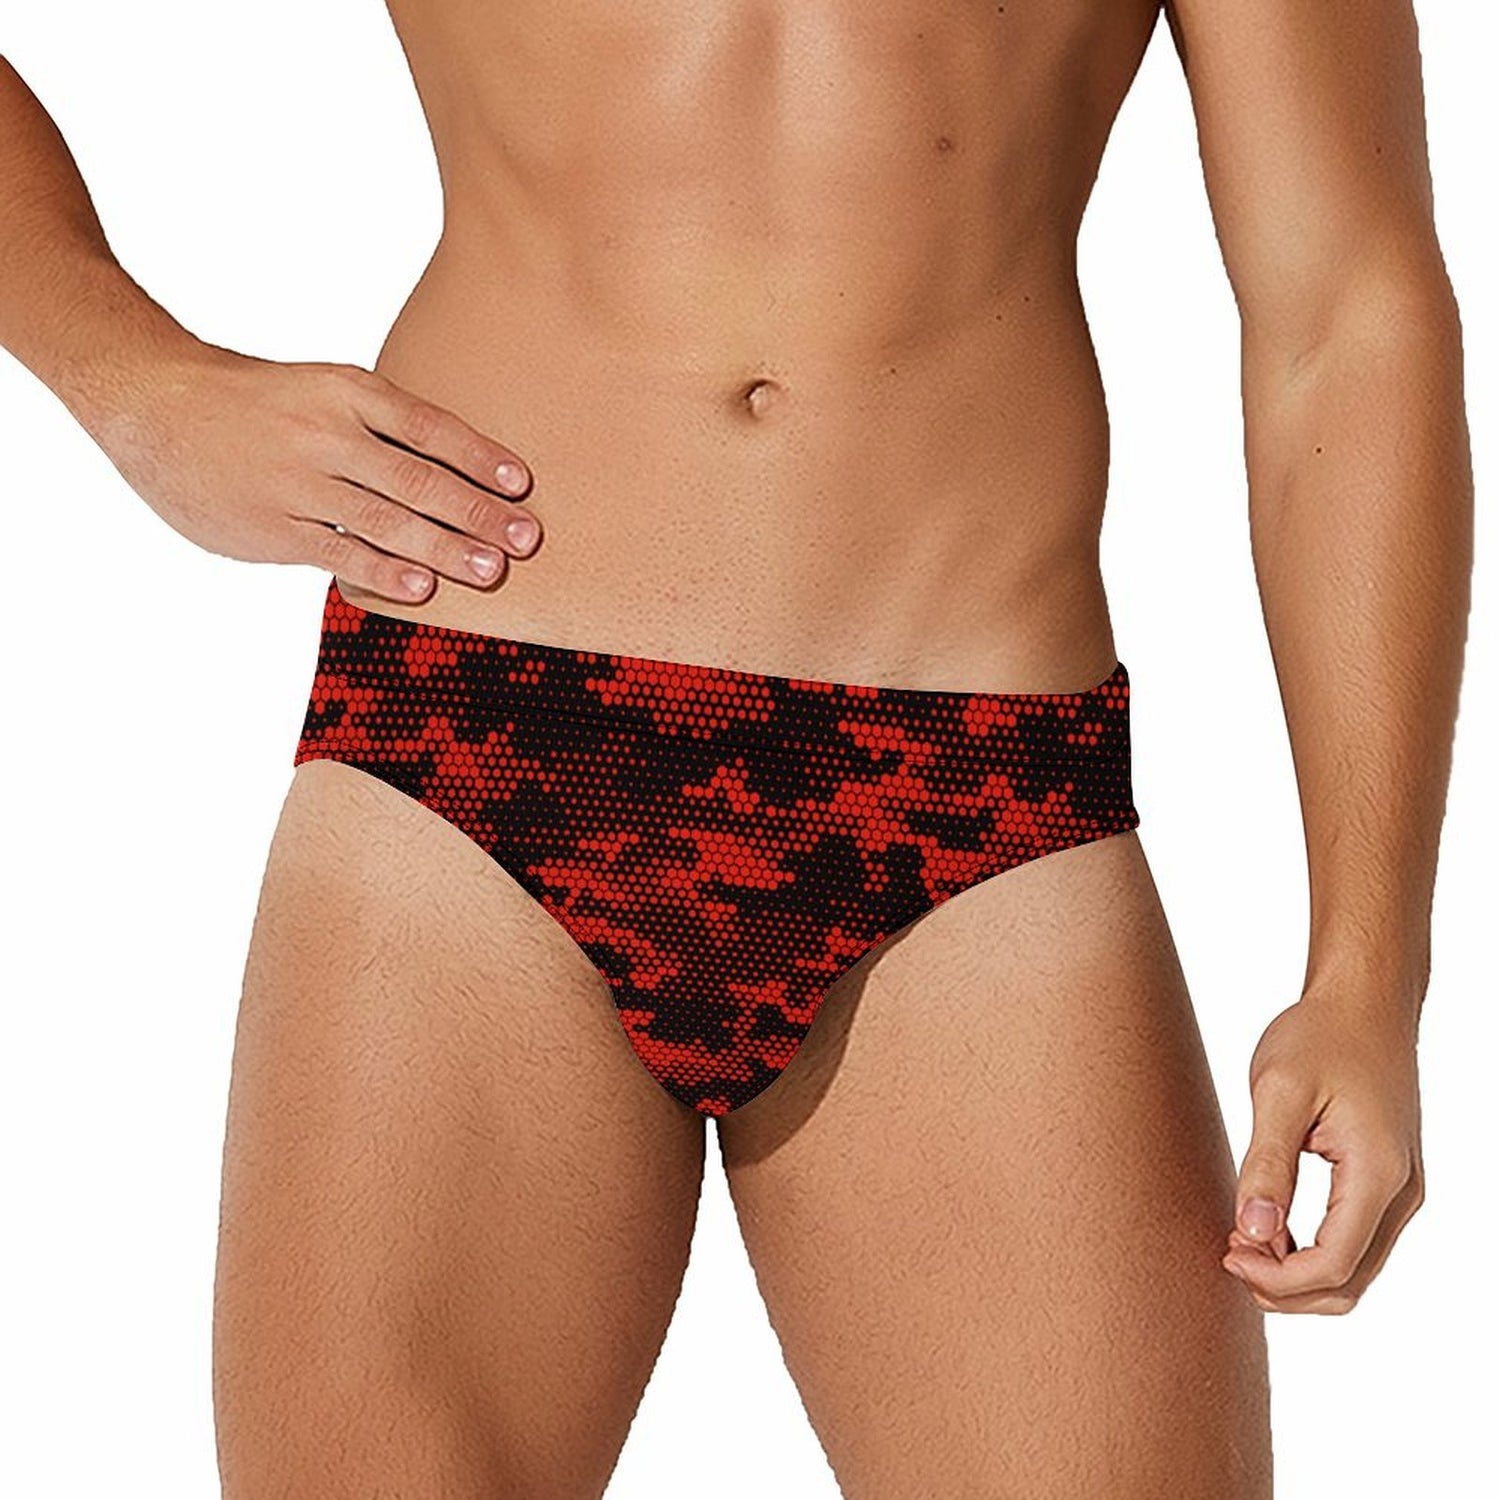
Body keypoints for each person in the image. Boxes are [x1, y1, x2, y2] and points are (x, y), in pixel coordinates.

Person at [0, 0, 1472, 1494]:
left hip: (974, 801)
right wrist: (135, 382)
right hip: (473, 759)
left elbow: (1344, 313)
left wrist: (1368, 970)